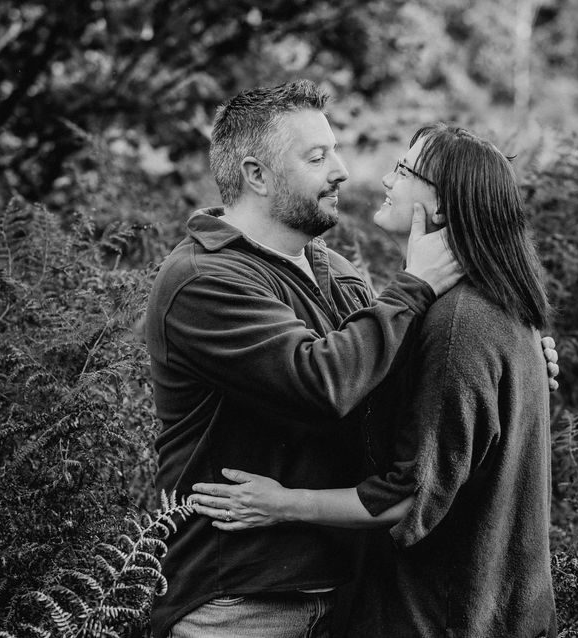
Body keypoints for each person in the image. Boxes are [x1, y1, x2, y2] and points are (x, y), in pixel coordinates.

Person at [191, 123, 559, 637]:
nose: (385, 179)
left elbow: (409, 493)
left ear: (443, 206)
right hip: (480, 610)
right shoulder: (492, 309)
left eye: (405, 170)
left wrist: (284, 503)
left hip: (444, 614)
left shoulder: (460, 323)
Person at [143, 80, 468, 638]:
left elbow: (390, 391)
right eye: (317, 157)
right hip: (241, 605)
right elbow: (322, 384)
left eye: (335, 150)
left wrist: (495, 358)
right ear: (257, 175)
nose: (341, 169)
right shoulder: (202, 280)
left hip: (351, 593)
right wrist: (413, 287)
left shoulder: (337, 273)